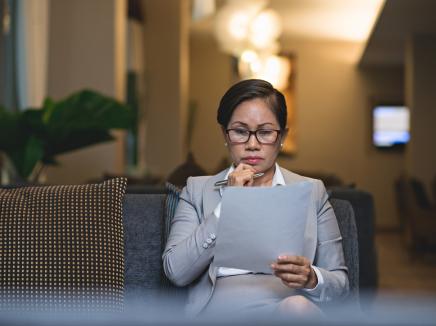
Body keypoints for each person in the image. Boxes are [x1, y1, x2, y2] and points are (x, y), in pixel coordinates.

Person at [162, 79, 349, 318]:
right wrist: (228, 206)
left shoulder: (312, 191)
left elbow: (341, 284)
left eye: (265, 132)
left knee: (297, 309)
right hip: (219, 312)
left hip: (289, 309)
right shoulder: (197, 189)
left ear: (282, 136)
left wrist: (312, 277)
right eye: (240, 132)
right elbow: (176, 271)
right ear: (225, 135)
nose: (252, 144)